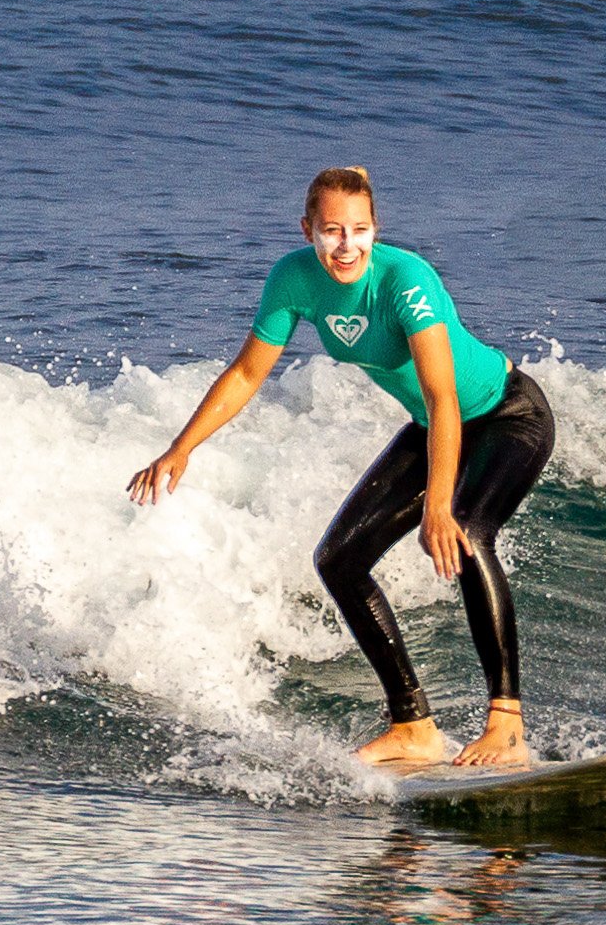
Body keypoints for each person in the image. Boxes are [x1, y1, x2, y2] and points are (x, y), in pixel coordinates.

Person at [128, 166, 555, 767]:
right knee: (339, 560)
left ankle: (506, 725)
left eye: (359, 230)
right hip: (434, 426)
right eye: (332, 231)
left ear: (376, 229)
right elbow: (247, 373)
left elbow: (443, 398)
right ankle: (413, 726)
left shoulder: (407, 281)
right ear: (308, 230)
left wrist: (438, 506)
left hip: (507, 415)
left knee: (467, 530)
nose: (346, 245)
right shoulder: (293, 278)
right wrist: (182, 447)